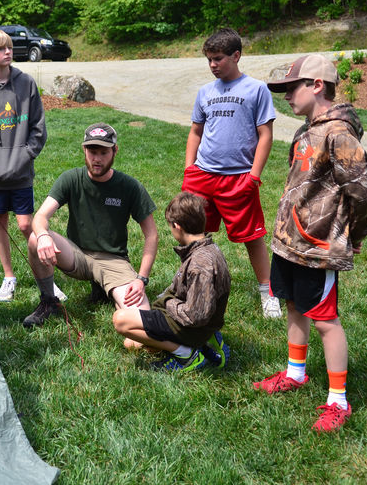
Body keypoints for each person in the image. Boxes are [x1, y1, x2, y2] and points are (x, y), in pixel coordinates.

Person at [253, 54, 367, 432]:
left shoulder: (340, 133)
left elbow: (362, 193)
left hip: (317, 247)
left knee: (325, 320)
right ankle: (296, 373)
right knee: (293, 305)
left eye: (293, 87)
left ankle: (338, 400)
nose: (287, 95)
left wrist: (353, 235)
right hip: (289, 242)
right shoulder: (307, 128)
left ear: (317, 85)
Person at [182, 27, 282, 319]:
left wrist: (254, 175)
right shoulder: (205, 92)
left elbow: (265, 135)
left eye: (218, 59)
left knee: (253, 237)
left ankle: (268, 293)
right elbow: (195, 131)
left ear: (236, 56)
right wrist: (190, 167)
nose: (213, 64)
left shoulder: (256, 89)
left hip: (239, 177)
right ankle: (189, 285)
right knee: (195, 234)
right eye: (209, 60)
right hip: (203, 175)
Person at [23, 122, 159, 328]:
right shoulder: (71, 179)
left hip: (113, 261)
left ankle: (104, 288)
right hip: (77, 254)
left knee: (140, 321)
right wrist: (43, 236)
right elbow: (40, 216)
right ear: (84, 150)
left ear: (115, 151)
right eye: (92, 151)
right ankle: (48, 301)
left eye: (103, 152)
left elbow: (152, 235)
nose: (97, 159)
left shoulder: (129, 186)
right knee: (35, 237)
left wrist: (141, 279)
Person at [0, 29, 64, 302]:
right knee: (0, 223)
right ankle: (9, 277)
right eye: (0, 49)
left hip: (20, 173)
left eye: (9, 47)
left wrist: (25, 154)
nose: (7, 52)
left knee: (25, 225)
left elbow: (38, 128)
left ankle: (47, 279)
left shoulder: (26, 83)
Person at [113, 192, 231, 372]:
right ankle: (205, 340)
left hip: (192, 326)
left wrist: (168, 302)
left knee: (120, 320)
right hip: (198, 321)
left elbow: (195, 316)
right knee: (132, 344)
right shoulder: (209, 248)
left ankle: (188, 355)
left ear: (177, 226)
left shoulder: (200, 265)